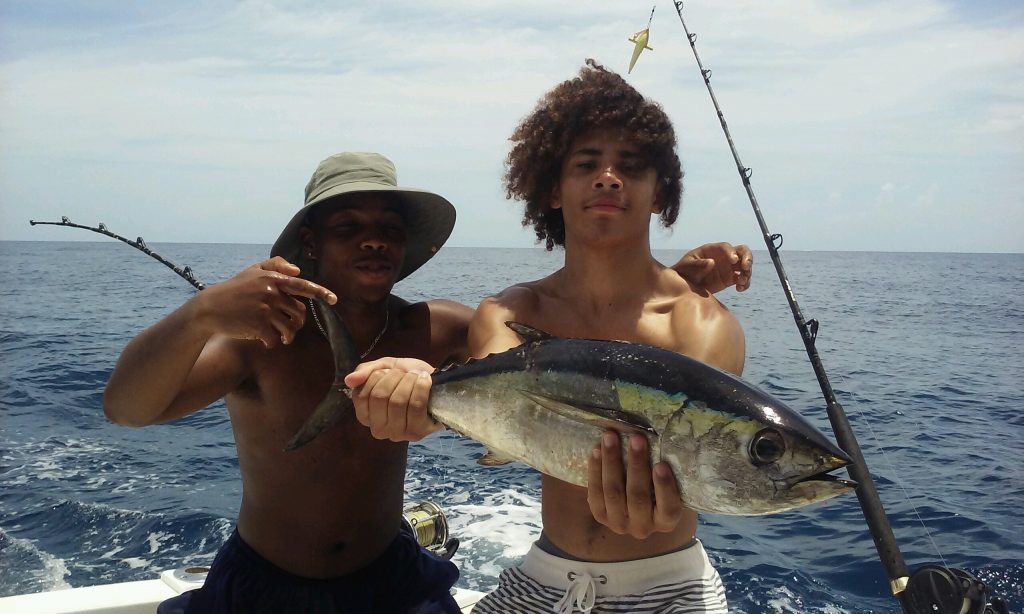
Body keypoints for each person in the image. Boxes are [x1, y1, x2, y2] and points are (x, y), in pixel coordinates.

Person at [103, 150, 749, 613]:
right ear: (311, 238)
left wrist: (672, 284)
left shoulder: (433, 326)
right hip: (264, 582)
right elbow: (127, 407)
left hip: (391, 578)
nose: (374, 242)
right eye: (350, 227)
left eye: (388, 229)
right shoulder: (262, 341)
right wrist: (200, 312)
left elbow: (565, 353)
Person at [348, 60, 745, 613]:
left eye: (630, 166)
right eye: (587, 164)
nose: (608, 176)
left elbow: (700, 452)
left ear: (660, 192)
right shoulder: (511, 311)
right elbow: (497, 396)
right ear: (554, 190)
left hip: (669, 588)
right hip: (544, 578)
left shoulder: (703, 323)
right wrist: (420, 395)